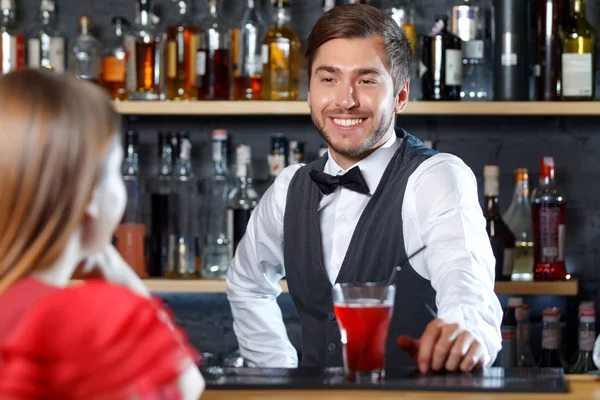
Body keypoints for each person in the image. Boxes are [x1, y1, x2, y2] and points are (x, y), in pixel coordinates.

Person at [227, 4, 502, 374]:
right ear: (309, 92)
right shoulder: (288, 189)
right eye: (329, 79)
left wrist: (465, 335)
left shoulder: (436, 177)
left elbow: (465, 277)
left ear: (401, 96)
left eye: (367, 80)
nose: (346, 99)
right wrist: (277, 374)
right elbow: (246, 283)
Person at [0, 69, 205, 400]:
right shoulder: (86, 317)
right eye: (116, 171)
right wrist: (123, 280)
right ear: (90, 195)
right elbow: (186, 388)